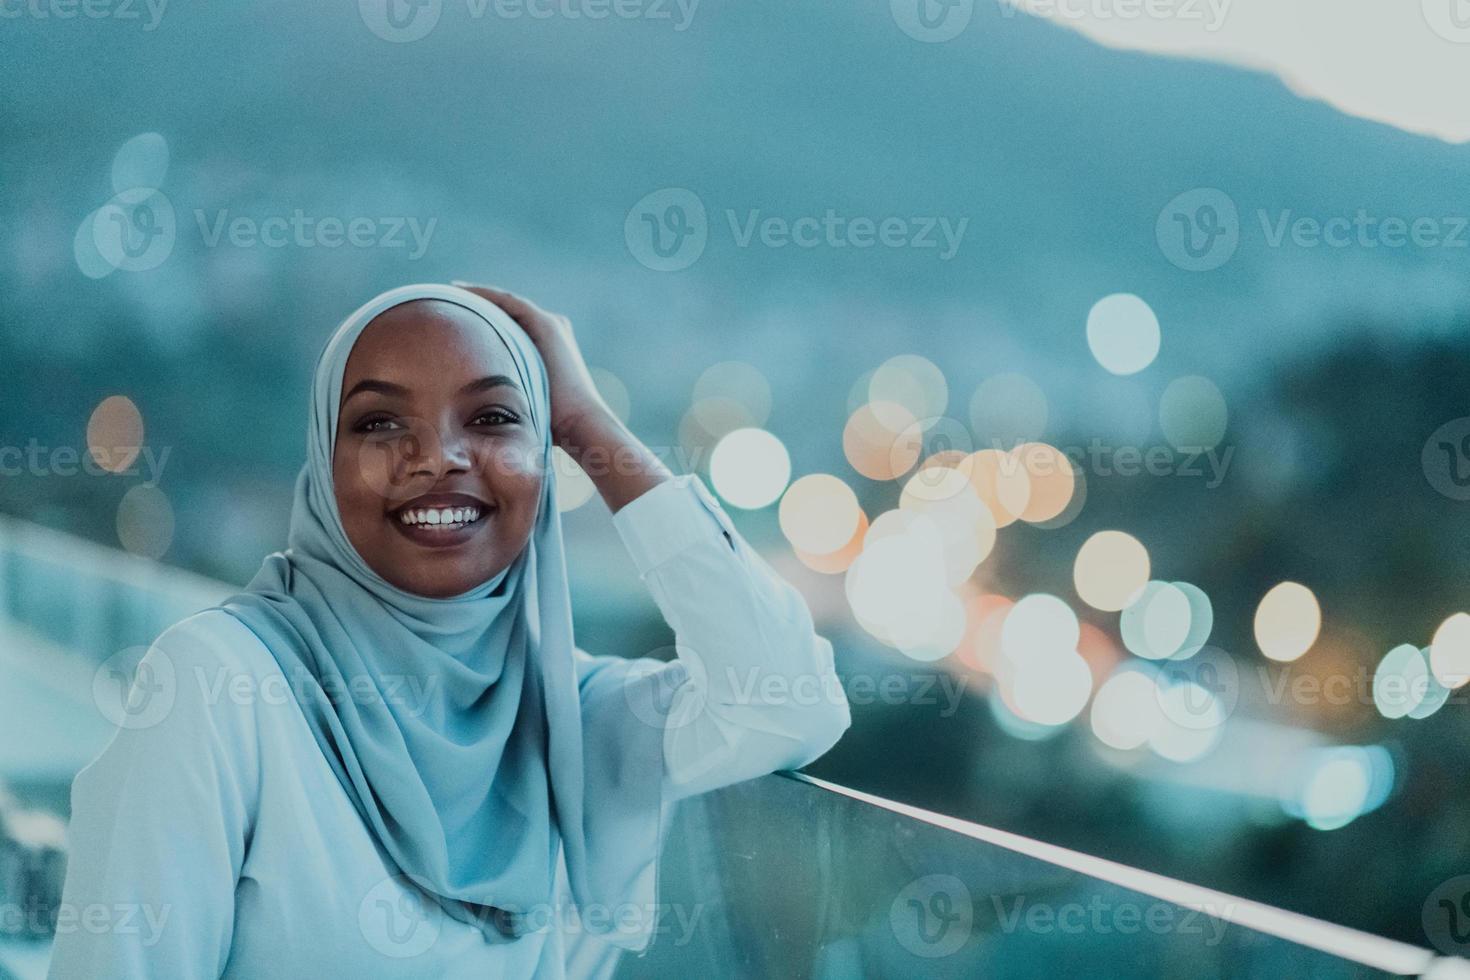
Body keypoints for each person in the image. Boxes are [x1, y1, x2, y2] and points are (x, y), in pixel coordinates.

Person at [49, 282, 850, 978]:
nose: (437, 458)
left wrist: (585, 420)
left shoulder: (570, 718)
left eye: (496, 417)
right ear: (322, 466)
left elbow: (790, 703)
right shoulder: (217, 688)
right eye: (378, 424)